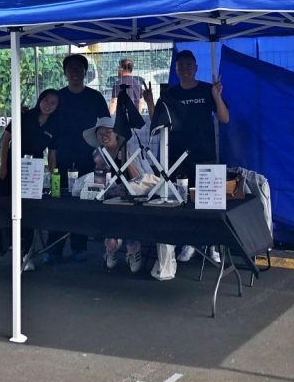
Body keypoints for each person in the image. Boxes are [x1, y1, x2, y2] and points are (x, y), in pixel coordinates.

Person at [146, 49, 230, 265]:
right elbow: (159, 122)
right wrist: (149, 102)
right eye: (181, 66)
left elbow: (224, 118)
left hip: (205, 154)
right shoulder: (171, 94)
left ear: (196, 68)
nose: (185, 70)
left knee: (208, 203)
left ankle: (212, 245)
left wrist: (217, 97)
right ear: (176, 70)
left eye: (188, 66)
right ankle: (188, 243)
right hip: (176, 156)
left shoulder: (206, 90)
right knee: (181, 203)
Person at [0, 89, 59, 273]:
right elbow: (7, 139)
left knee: (29, 210)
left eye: (53, 103)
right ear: (40, 100)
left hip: (33, 169)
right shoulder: (25, 116)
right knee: (1, 208)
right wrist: (3, 165)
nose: (48, 105)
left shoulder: (54, 125)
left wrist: (52, 175)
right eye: (46, 100)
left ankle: (25, 254)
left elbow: (52, 155)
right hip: (12, 166)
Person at [45, 53, 110, 263]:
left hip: (89, 160)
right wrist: (51, 160)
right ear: (65, 72)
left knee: (83, 204)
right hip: (61, 158)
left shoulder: (95, 97)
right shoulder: (57, 98)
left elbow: (106, 126)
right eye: (70, 68)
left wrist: (103, 157)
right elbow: (49, 129)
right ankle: (53, 249)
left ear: (85, 72)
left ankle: (79, 246)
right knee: (58, 204)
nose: (74, 72)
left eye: (78, 68)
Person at [83, 117, 148, 274]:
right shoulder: (98, 153)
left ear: (117, 134)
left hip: (134, 196)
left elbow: (140, 178)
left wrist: (127, 160)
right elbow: (100, 181)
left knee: (129, 215)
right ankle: (111, 244)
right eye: (100, 132)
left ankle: (132, 248)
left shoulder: (129, 148)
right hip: (111, 196)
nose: (104, 135)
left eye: (109, 131)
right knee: (104, 210)